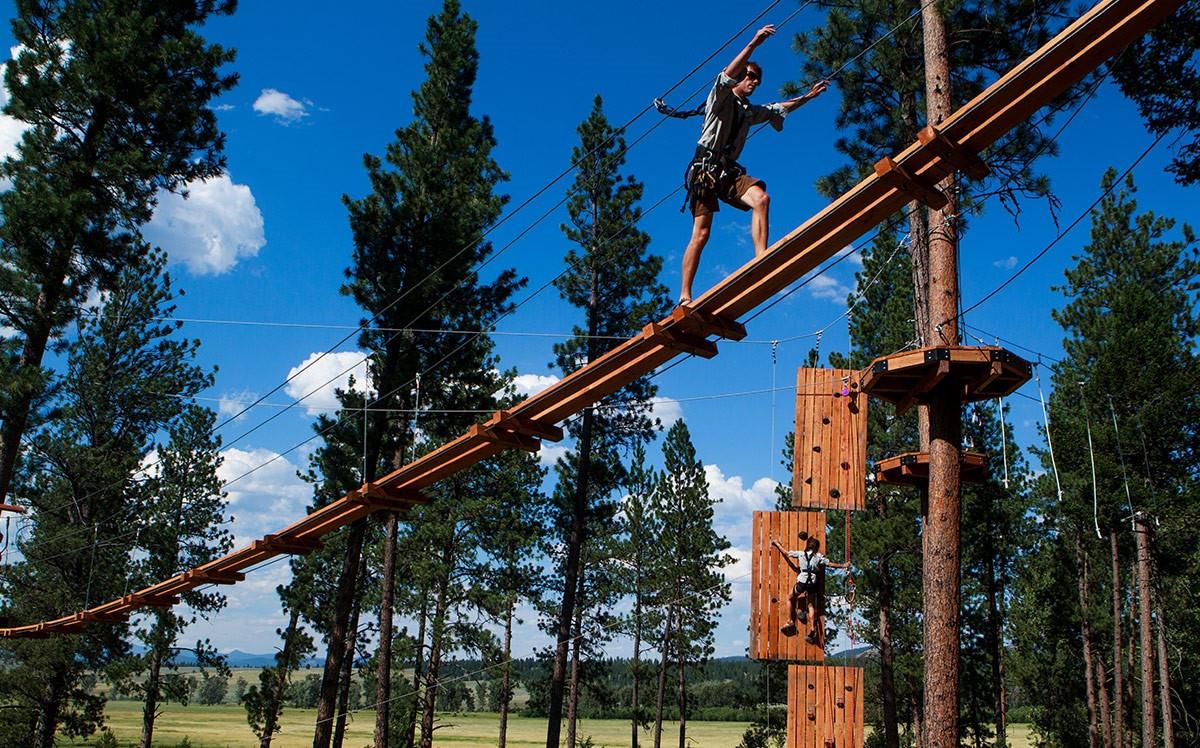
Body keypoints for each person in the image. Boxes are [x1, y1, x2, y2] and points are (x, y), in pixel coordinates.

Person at [676, 24, 828, 305]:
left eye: (757, 79)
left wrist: (808, 97)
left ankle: (761, 259)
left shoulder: (749, 112)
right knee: (702, 232)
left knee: (761, 198)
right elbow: (727, 74)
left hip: (727, 171)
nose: (754, 82)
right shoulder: (719, 97)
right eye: (749, 76)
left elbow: (778, 108)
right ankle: (684, 294)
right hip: (705, 170)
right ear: (739, 77)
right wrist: (754, 43)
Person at [771, 531, 845, 645]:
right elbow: (830, 564)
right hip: (812, 584)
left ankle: (790, 621)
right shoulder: (819, 557)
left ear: (808, 546)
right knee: (811, 605)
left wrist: (777, 543)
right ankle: (812, 629)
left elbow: (786, 553)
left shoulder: (800, 554)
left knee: (790, 597)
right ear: (817, 548)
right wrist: (843, 566)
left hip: (802, 582)